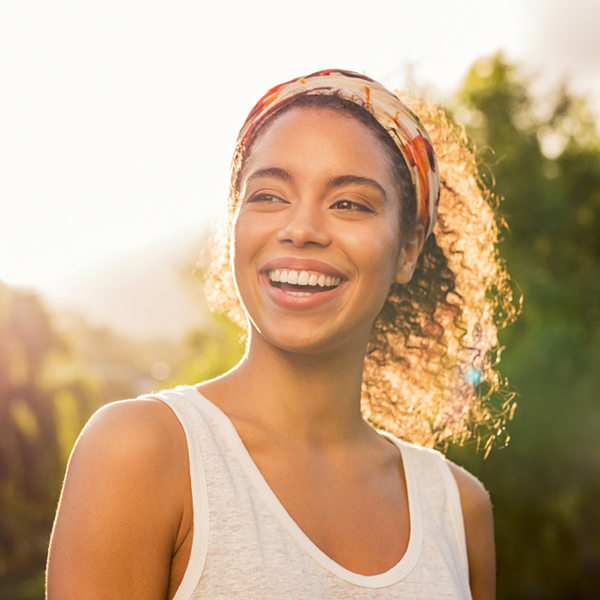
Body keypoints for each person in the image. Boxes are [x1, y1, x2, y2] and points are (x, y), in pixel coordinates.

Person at [47, 69, 516, 599]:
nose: (301, 229)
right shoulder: (141, 452)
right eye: (269, 195)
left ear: (407, 249)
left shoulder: (457, 508)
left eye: (350, 203)